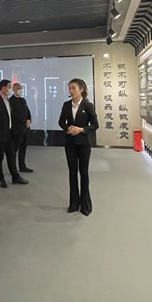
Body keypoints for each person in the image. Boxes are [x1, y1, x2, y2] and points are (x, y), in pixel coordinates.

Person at [58, 78, 98, 216]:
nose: (71, 91)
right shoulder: (66, 105)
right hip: (70, 143)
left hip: (84, 144)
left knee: (84, 173)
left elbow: (95, 124)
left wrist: (81, 129)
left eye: (73, 88)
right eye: (69, 88)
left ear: (81, 89)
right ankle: (74, 203)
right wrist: (68, 128)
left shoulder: (88, 105)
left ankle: (85, 204)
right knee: (72, 172)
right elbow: (61, 122)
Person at [0, 79, 26, 187]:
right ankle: (0, 179)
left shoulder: (8, 100)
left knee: (11, 155)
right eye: (9, 87)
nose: (10, 89)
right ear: (4, 88)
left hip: (9, 134)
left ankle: (15, 177)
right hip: (0, 135)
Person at [10, 82, 33, 172]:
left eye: (21, 88)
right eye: (18, 89)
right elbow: (14, 116)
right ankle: (13, 168)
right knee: (14, 149)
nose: (20, 90)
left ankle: (22, 166)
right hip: (17, 129)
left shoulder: (23, 100)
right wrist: (23, 121)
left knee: (23, 148)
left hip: (25, 129)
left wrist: (29, 119)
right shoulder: (11, 101)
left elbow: (27, 111)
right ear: (14, 90)